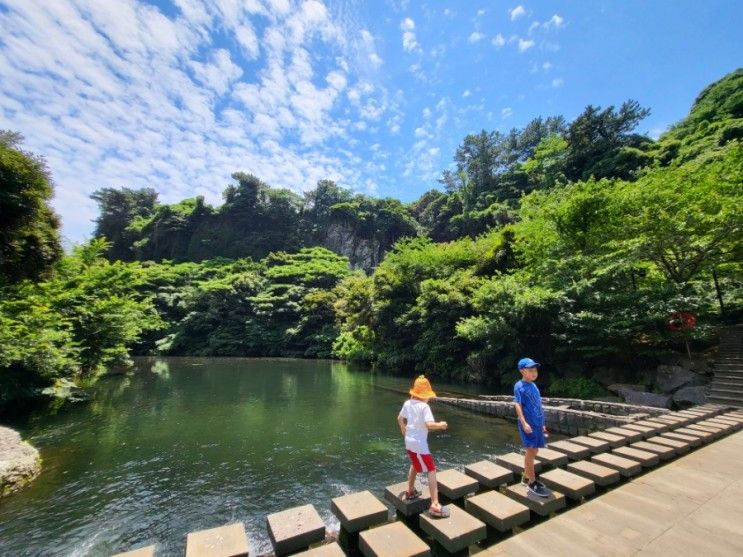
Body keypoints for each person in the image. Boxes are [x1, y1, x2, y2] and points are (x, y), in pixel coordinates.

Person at [397, 375, 450, 518]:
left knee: (414, 464)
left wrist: (403, 428)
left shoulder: (408, 403)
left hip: (409, 441)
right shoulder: (424, 406)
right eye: (428, 396)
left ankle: (409, 491)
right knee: (431, 470)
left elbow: (399, 418)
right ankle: (435, 504)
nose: (429, 399)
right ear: (425, 395)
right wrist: (441, 425)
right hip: (419, 444)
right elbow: (429, 425)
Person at [513, 357, 551, 497]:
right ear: (522, 371)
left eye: (535, 370)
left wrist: (542, 424)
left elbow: (538, 405)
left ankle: (525, 476)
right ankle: (532, 481)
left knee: (534, 452)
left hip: (537, 424)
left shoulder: (533, 385)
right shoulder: (519, 386)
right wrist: (524, 422)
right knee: (531, 450)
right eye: (530, 370)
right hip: (528, 424)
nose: (534, 373)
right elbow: (517, 404)